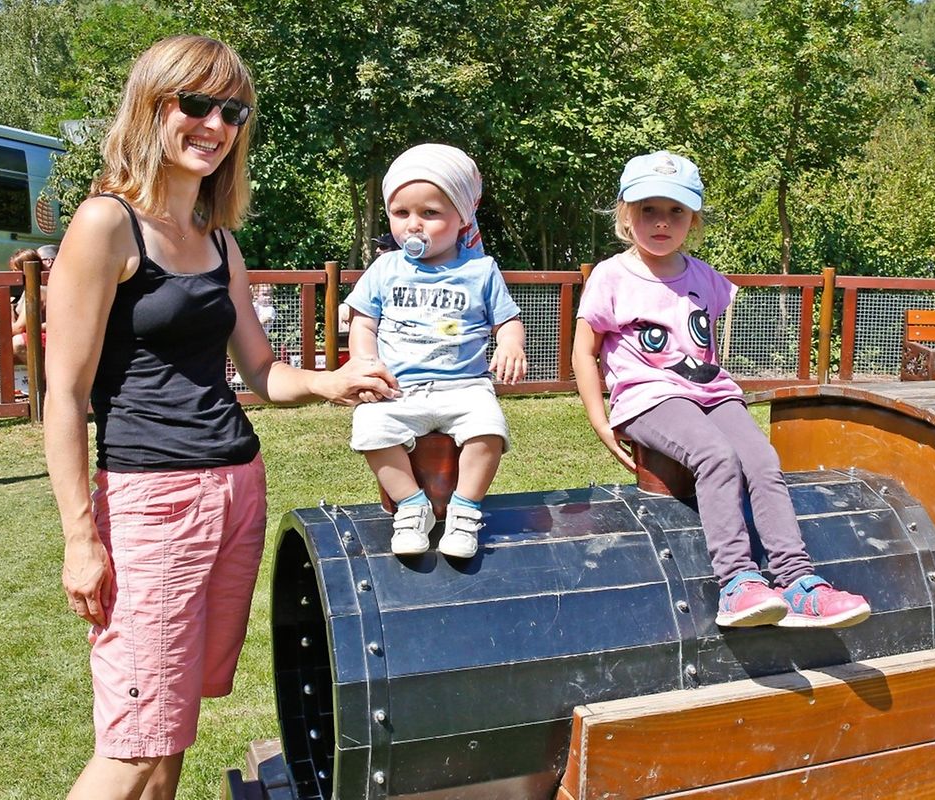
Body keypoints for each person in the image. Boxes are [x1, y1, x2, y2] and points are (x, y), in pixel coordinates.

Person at [42, 35, 396, 800]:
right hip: (151, 503)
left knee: (173, 727)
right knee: (135, 741)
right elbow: (63, 395)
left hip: (238, 489)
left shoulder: (217, 237)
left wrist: (333, 381)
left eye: (231, 110)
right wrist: (80, 536)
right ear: (151, 106)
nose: (214, 124)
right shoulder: (107, 224)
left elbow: (263, 373)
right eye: (195, 103)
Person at [572, 150, 871, 629]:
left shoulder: (705, 277)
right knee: (716, 455)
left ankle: (797, 581)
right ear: (626, 214)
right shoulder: (612, 276)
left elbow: (701, 344)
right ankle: (736, 582)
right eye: (648, 209)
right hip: (649, 396)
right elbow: (583, 352)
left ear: (694, 219)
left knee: (763, 460)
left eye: (676, 211)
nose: (662, 222)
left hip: (710, 391)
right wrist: (599, 418)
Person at [345, 143, 527, 559]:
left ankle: (465, 510)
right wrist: (365, 362)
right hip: (399, 388)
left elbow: (507, 320)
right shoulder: (385, 268)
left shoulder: (480, 270)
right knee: (370, 428)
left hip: (463, 385)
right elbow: (363, 321)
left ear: (462, 217)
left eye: (430, 213)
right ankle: (410, 507)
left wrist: (511, 343)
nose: (413, 225)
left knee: (489, 429)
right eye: (401, 213)